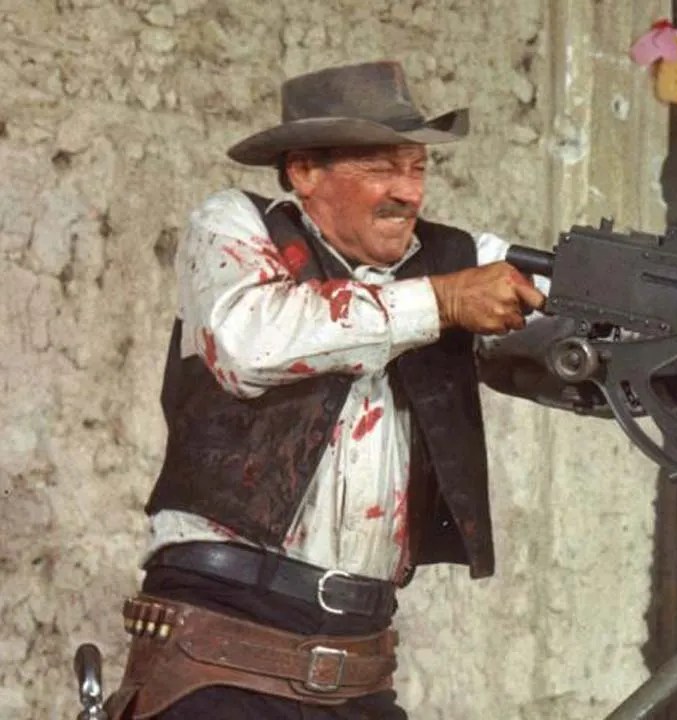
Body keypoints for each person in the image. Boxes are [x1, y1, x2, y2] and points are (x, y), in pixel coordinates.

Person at [105, 60, 545, 719]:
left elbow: (567, 309)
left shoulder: (456, 259)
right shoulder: (235, 226)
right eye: (381, 168)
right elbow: (246, 344)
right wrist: (441, 302)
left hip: (358, 669)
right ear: (305, 170)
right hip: (218, 652)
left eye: (418, 168)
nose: (408, 192)